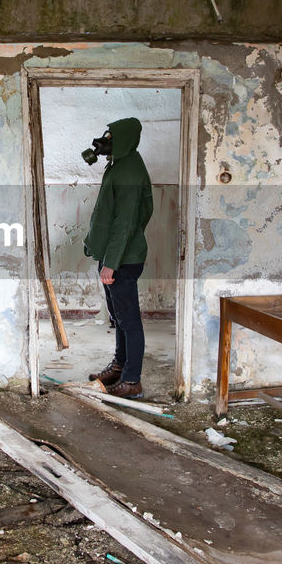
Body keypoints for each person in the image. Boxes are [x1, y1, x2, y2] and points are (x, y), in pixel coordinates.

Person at [82, 117, 154, 398]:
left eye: (111, 137)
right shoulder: (122, 164)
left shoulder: (128, 173)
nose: (105, 142)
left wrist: (111, 263)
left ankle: (132, 381)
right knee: (121, 318)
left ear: (124, 140)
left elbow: (124, 223)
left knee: (129, 320)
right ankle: (120, 366)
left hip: (122, 259)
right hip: (116, 255)